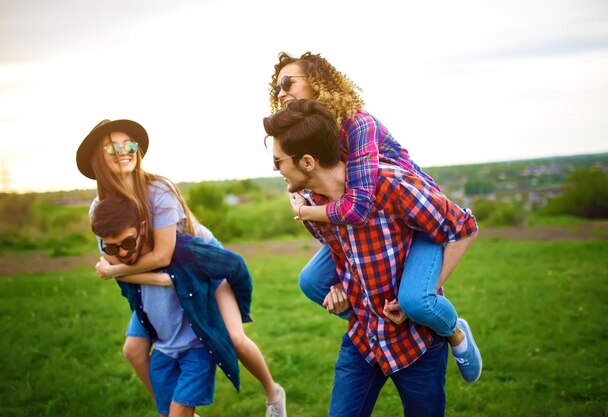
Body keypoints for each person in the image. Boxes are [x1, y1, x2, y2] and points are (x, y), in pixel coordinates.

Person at [268, 51, 481, 382]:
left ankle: (453, 330)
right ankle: (379, 324)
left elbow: (358, 206)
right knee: (312, 282)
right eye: (276, 87)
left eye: (287, 82)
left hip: (414, 217)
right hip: (364, 228)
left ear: (317, 83)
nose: (280, 92)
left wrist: (304, 209)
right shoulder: (313, 137)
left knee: (415, 300)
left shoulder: (357, 124)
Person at [76, 119, 286, 417]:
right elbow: (116, 259)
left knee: (234, 337)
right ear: (99, 156)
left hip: (203, 268)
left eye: (129, 144)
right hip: (164, 280)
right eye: (113, 146)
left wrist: (115, 272)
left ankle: (272, 392)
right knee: (133, 351)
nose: (124, 151)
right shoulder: (100, 208)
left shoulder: (158, 190)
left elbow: (160, 256)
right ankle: (173, 410)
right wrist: (156, 280)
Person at [91, 196, 254, 416]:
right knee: (167, 413)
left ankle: (272, 390)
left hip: (196, 350)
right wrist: (123, 272)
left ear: (143, 228)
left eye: (128, 243)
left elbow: (234, 265)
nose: (121, 253)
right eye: (112, 249)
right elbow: (124, 282)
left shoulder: (181, 248)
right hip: (164, 353)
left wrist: (240, 307)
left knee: (237, 339)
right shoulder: (123, 256)